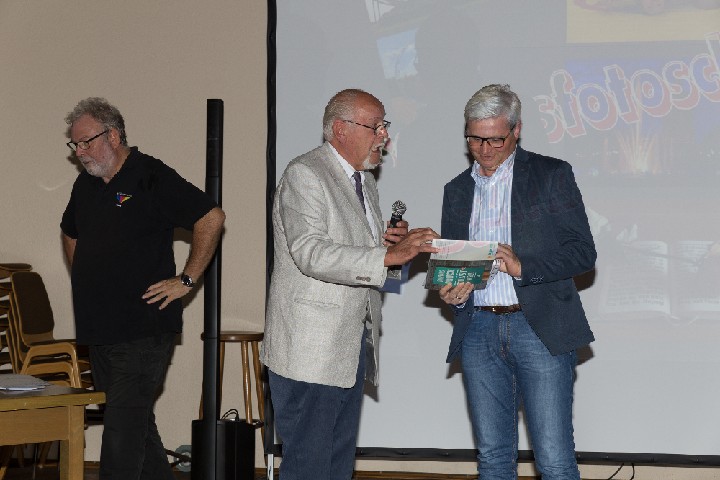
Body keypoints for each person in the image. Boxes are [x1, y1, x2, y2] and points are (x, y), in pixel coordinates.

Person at [261, 88, 439, 480]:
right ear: (341, 129)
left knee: (337, 465)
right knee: (309, 467)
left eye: (384, 126)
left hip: (350, 345)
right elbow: (310, 253)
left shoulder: (364, 182)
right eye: (376, 126)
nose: (384, 135)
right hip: (310, 349)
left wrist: (393, 250)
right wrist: (385, 257)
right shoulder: (305, 174)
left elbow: (362, 259)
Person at [60, 97, 225, 480]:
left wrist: (186, 280)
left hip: (143, 329)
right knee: (135, 427)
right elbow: (70, 232)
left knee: (120, 435)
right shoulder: (85, 185)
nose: (80, 152)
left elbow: (211, 217)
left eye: (86, 142)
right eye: (75, 144)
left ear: (113, 136)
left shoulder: (150, 175)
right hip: (99, 329)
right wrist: (85, 275)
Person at [438, 84, 596, 480]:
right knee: (492, 459)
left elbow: (583, 252)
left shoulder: (550, 174)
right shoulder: (456, 190)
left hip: (538, 327)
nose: (484, 149)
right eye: (474, 138)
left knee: (554, 460)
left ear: (516, 130)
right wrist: (455, 294)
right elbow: (456, 267)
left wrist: (524, 266)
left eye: (495, 139)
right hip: (477, 329)